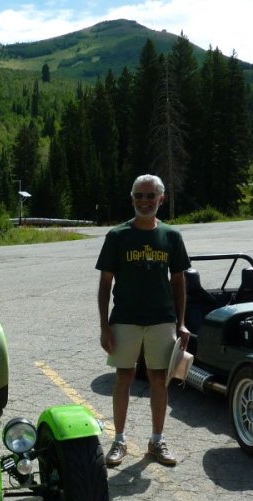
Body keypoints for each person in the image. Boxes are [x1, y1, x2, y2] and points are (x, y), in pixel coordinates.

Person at [96, 174, 191, 467]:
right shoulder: (117, 236)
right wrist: (104, 325)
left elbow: (178, 282)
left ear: (161, 199)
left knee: (158, 379)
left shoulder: (172, 237)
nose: (144, 201)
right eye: (139, 195)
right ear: (132, 199)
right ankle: (119, 440)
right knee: (123, 377)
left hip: (162, 319)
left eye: (150, 196)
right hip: (124, 318)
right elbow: (105, 284)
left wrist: (182, 322)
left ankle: (156, 440)